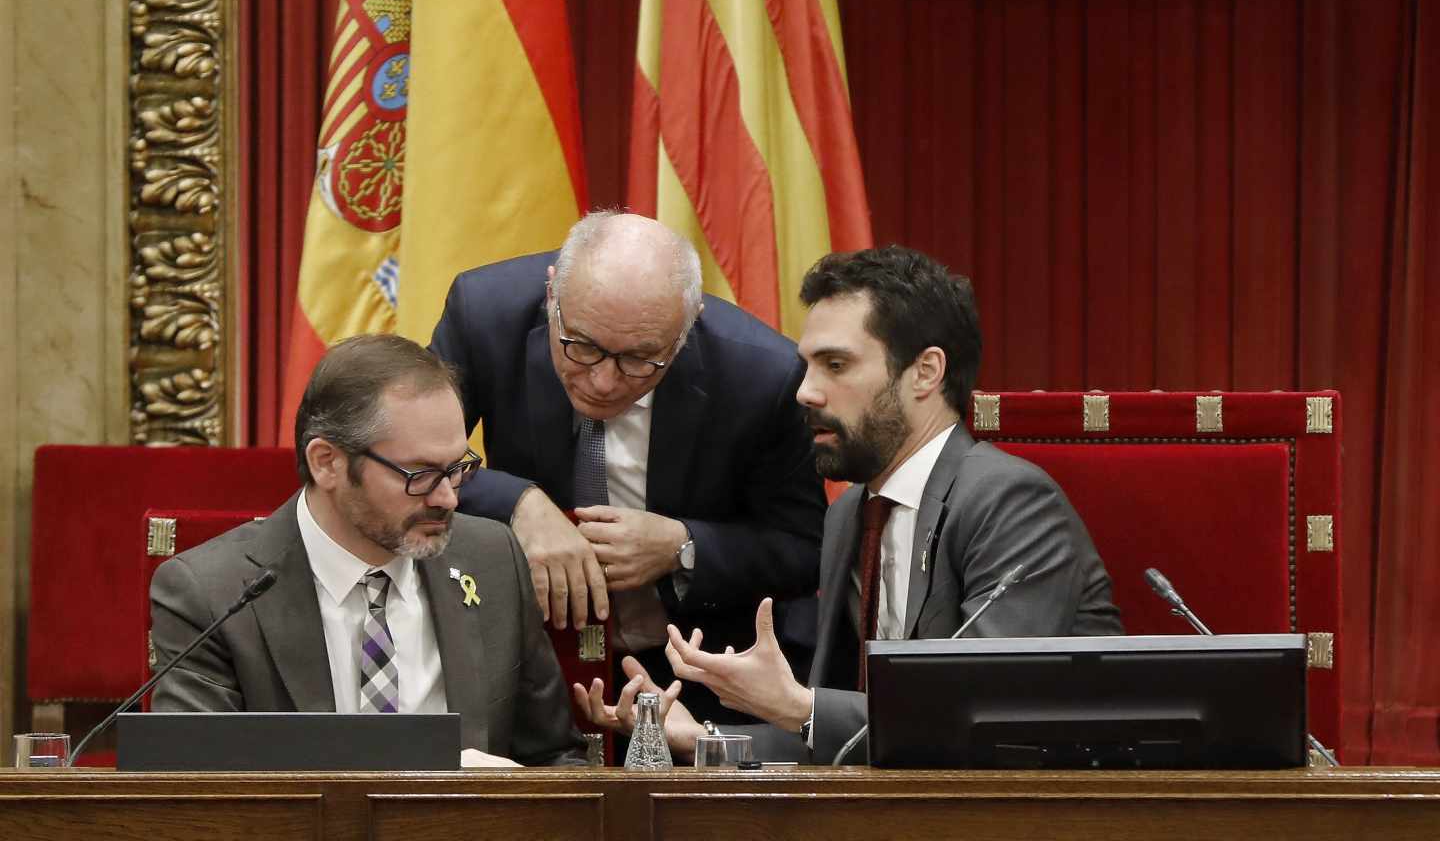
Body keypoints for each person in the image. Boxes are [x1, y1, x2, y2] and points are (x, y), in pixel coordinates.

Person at [577, 246, 1123, 764]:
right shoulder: (851, 513)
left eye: (835, 365)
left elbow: (987, 717)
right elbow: (848, 742)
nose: (805, 392)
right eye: (808, 365)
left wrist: (799, 707)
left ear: (926, 372)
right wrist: (705, 737)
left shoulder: (1008, 502)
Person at [428, 212, 826, 719]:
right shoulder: (484, 314)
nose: (603, 382)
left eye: (641, 360)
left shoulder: (763, 376)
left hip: (693, 672)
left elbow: (803, 545)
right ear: (553, 293)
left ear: (688, 324)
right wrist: (520, 504)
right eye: (583, 346)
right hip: (521, 657)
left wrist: (683, 547)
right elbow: (408, 461)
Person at [150, 334, 586, 766]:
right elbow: (196, 786)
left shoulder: (492, 560)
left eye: (457, 469)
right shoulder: (212, 594)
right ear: (327, 462)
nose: (448, 499)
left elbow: (556, 757)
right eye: (420, 474)